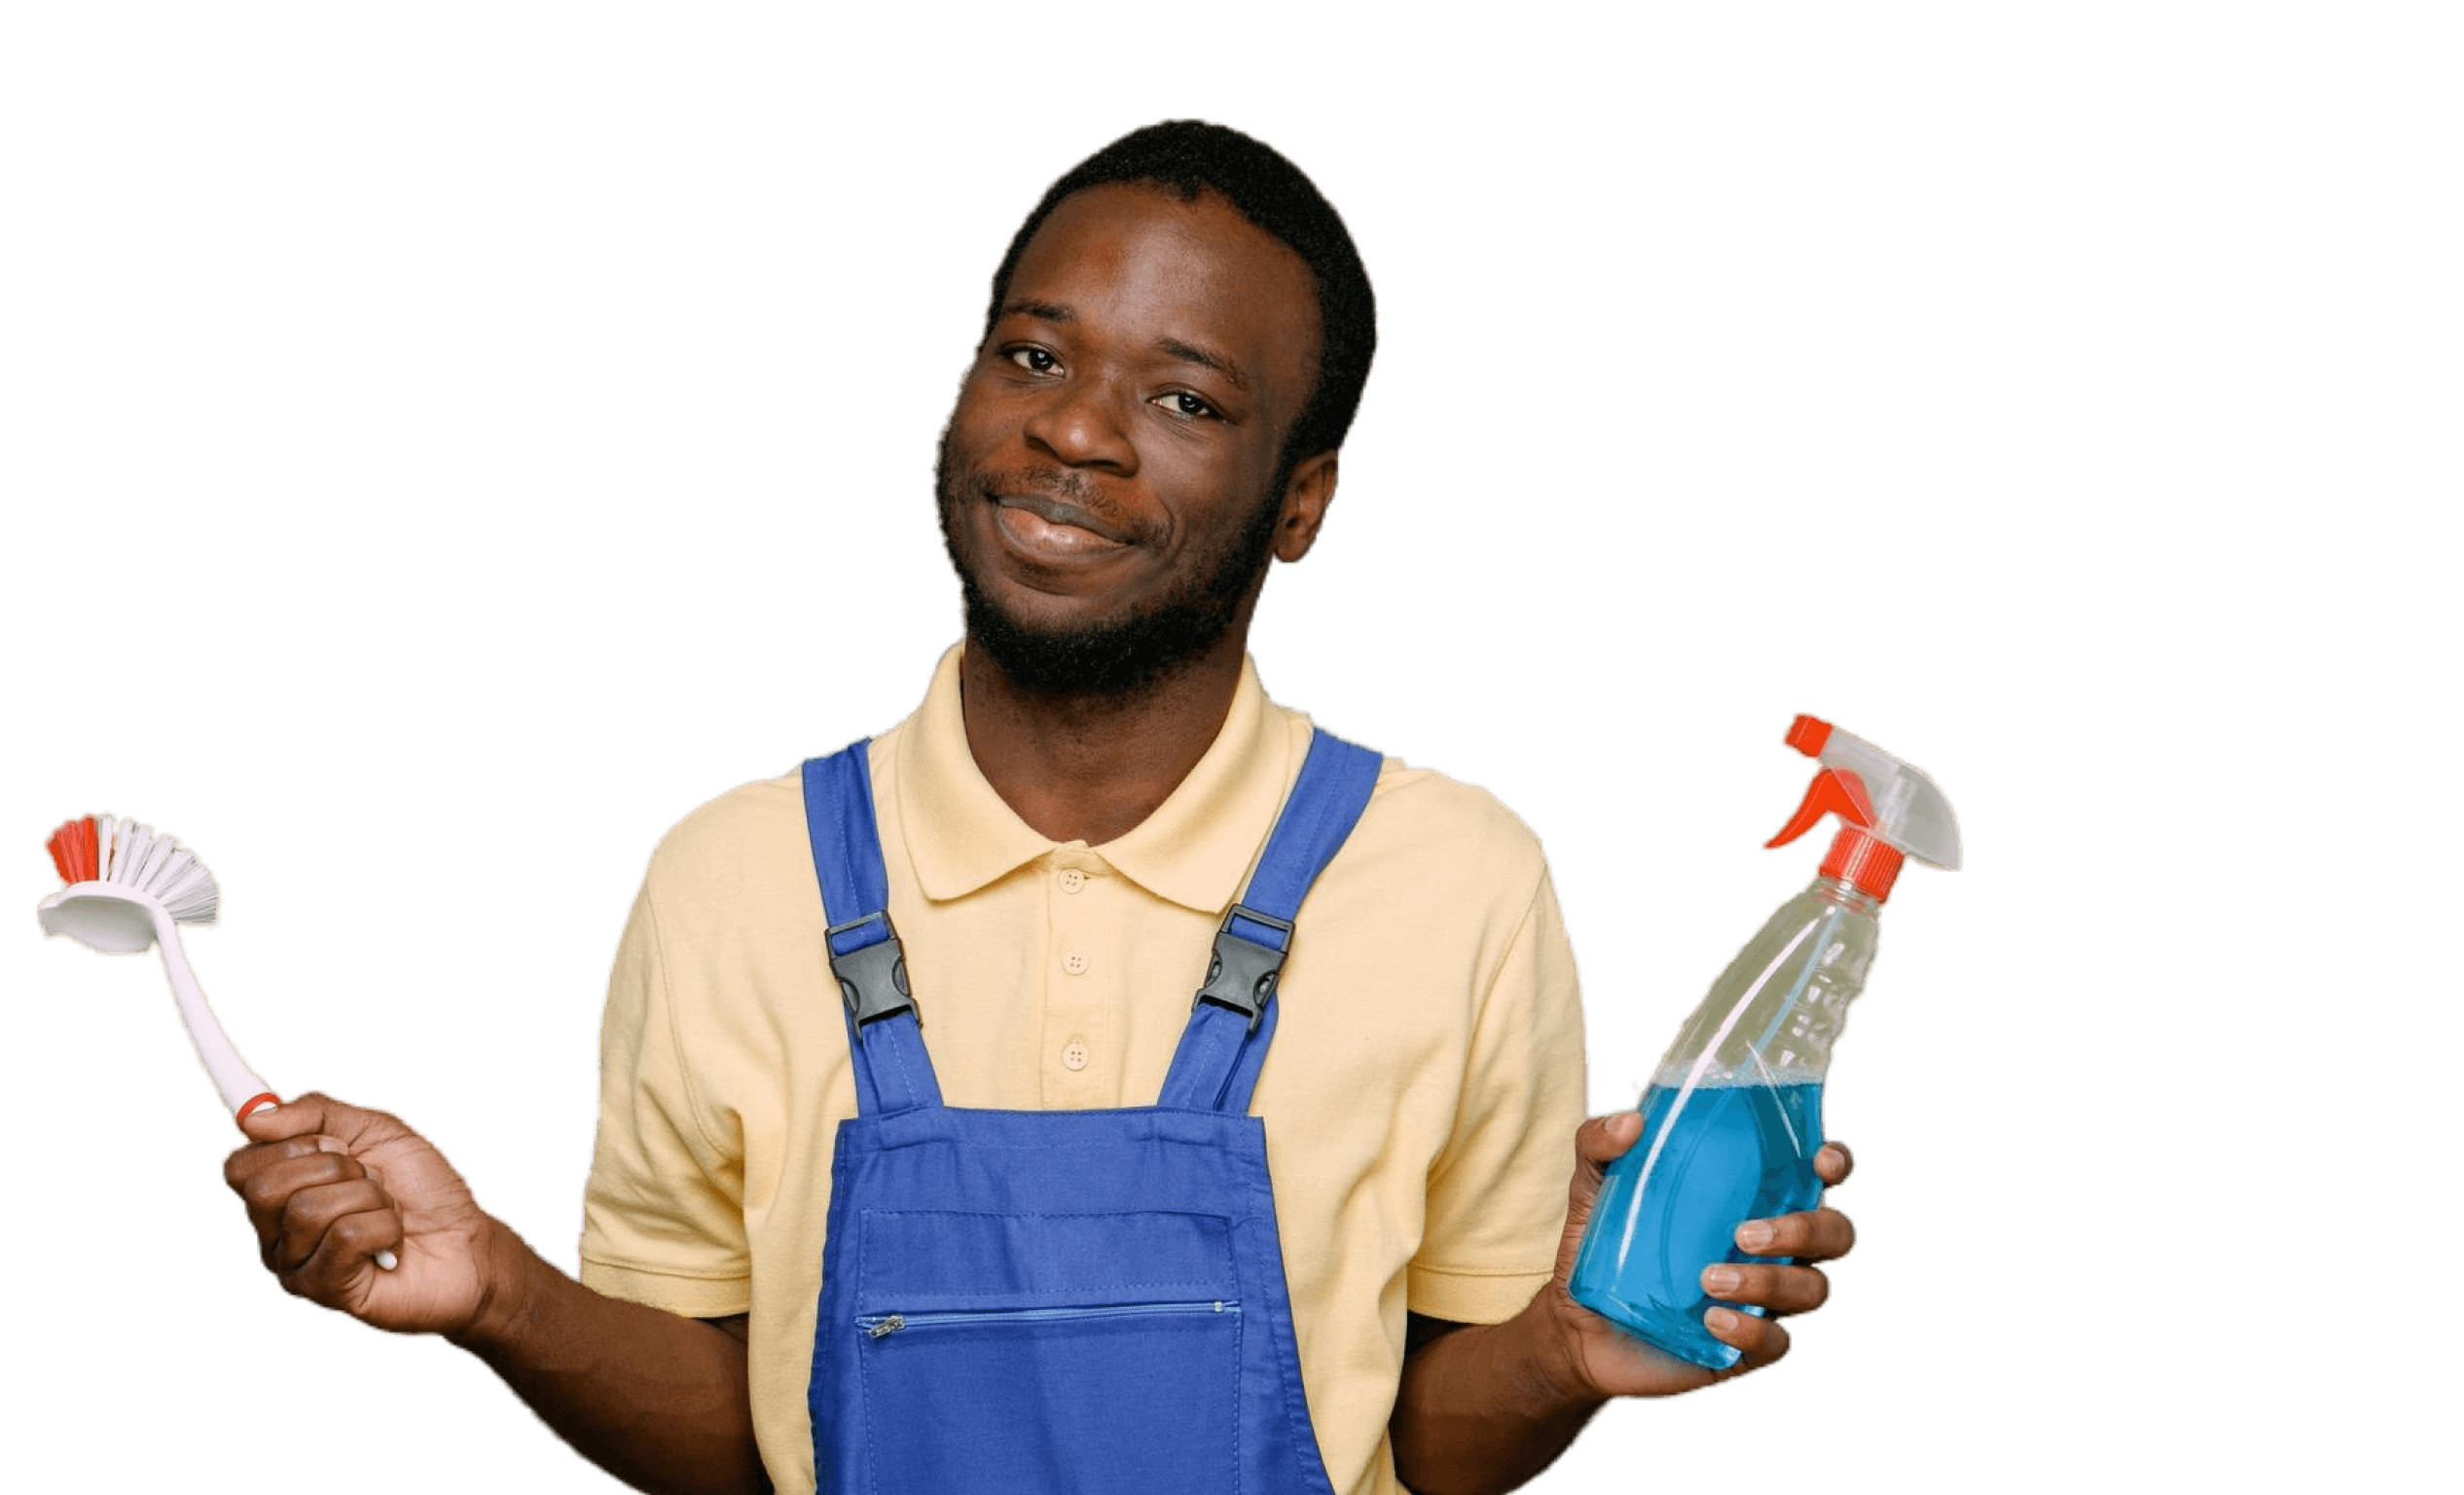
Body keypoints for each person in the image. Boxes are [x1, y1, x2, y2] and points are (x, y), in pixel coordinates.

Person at [222, 119, 1857, 1495]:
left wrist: (1570, 1347)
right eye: (1034, 353)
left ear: (1303, 506)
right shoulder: (732, 875)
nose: (1074, 429)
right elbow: (737, 1429)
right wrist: (501, 1294)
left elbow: (1427, 1441)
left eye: (1188, 399)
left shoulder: (1455, 877)